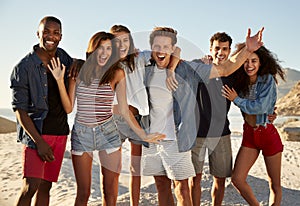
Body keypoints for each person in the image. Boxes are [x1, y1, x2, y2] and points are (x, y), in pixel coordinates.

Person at [142, 26, 264, 206]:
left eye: (224, 49)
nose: (220, 52)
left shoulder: (216, 72)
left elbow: (232, 76)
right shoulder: (151, 65)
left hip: (205, 135)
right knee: (178, 182)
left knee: (204, 183)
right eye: (217, 48)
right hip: (183, 135)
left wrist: (248, 50)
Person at [49, 31, 165, 206]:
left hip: (108, 134)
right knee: (83, 193)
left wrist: (143, 135)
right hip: (82, 135)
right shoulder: (79, 72)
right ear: (92, 50)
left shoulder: (117, 73)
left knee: (110, 192)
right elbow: (68, 108)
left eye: (109, 49)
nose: (104, 53)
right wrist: (59, 80)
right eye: (100, 48)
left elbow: (125, 110)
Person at [110, 24, 180, 206]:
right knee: (114, 169)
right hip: (115, 120)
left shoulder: (139, 58)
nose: (122, 45)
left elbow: (176, 50)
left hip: (138, 119)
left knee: (135, 168)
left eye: (126, 40)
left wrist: (171, 70)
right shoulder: (107, 64)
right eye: (117, 41)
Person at [10, 16, 74, 206]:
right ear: (38, 33)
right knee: (30, 186)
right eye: (46, 31)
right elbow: (20, 111)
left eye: (55, 33)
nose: (50, 36)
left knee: (46, 187)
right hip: (36, 135)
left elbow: (80, 65)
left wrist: (78, 63)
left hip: (60, 133)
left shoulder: (64, 58)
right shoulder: (23, 67)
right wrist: (39, 142)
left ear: (61, 36)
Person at [222, 43, 285, 206]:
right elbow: (222, 74)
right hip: (249, 135)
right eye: (246, 61)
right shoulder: (239, 80)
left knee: (275, 184)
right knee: (237, 179)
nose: (249, 65)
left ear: (261, 62)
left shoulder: (267, 79)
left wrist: (236, 99)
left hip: (267, 134)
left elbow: (261, 107)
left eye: (254, 61)